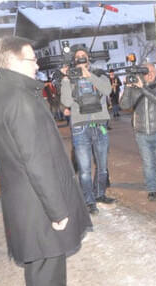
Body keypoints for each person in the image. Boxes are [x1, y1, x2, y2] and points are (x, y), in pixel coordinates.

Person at [0, 36, 92, 286]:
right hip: (39, 208)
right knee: (48, 284)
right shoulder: (21, 100)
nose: (37, 64)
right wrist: (57, 211)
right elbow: (36, 160)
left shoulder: (0, 94)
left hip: (25, 204)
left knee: (39, 277)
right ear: (15, 61)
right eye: (32, 58)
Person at [60, 44, 116, 215]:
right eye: (78, 56)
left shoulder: (99, 73)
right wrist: (66, 80)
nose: (81, 57)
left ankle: (99, 194)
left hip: (100, 125)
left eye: (84, 55)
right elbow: (67, 102)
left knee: (102, 166)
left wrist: (88, 75)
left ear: (89, 57)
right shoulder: (70, 77)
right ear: (74, 60)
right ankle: (89, 200)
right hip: (80, 127)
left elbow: (107, 90)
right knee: (84, 169)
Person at [120, 63, 156, 201]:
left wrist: (143, 87)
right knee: (148, 163)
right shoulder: (135, 89)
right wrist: (128, 88)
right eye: (147, 71)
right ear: (142, 74)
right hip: (141, 132)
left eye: (153, 71)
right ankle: (152, 189)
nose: (150, 74)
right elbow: (124, 105)